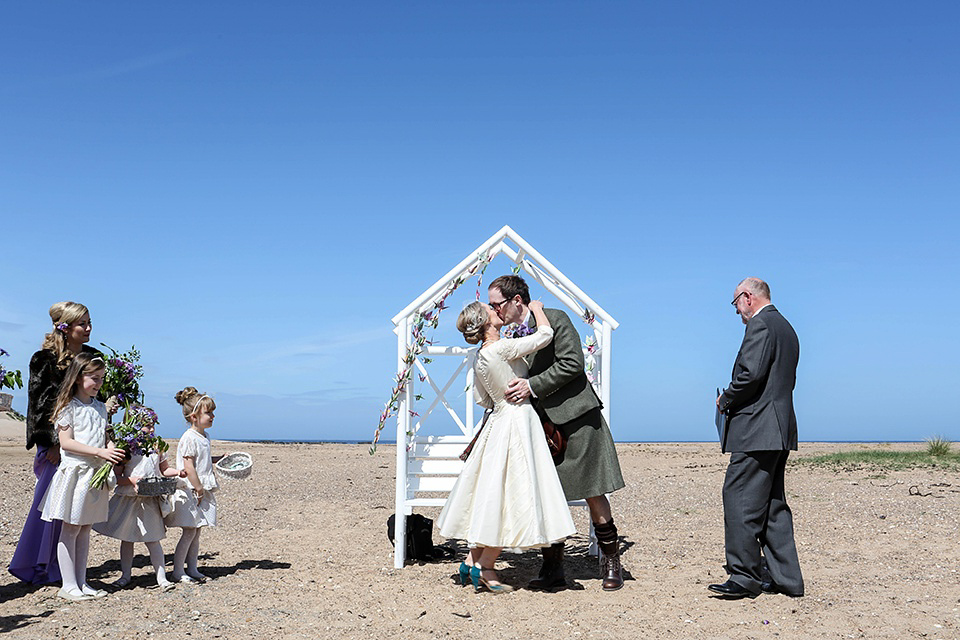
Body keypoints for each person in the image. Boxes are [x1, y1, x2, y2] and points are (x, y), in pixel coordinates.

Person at [488, 275, 626, 591]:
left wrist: (531, 385)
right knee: (547, 495)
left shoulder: (556, 319)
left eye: (498, 304)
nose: (495, 310)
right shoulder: (510, 335)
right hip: (543, 428)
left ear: (517, 301)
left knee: (594, 492)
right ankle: (553, 569)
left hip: (578, 419)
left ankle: (612, 564)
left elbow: (572, 363)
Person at [437, 300, 576, 593]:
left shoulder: (480, 356)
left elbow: (481, 399)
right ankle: (486, 568)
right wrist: (537, 309)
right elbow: (544, 337)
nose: (496, 311)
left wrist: (501, 394)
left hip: (498, 421)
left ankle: (471, 563)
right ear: (485, 322)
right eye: (490, 310)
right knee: (511, 494)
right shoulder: (500, 348)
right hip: (518, 421)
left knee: (493, 492)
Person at [709, 277, 804, 599]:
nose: (736, 311)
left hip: (757, 430)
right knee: (772, 504)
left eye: (735, 303)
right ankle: (786, 578)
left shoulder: (762, 325)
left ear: (747, 297)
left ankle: (744, 577)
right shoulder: (786, 327)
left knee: (739, 500)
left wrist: (726, 400)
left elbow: (749, 374)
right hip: (779, 429)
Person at [9, 301, 113, 585]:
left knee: (77, 511)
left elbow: (97, 397)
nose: (89, 328)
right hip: (59, 444)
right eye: (83, 324)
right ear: (65, 328)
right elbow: (39, 405)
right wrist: (53, 443)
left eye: (90, 322)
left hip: (88, 444)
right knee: (50, 507)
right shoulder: (43, 359)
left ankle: (68, 572)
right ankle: (39, 565)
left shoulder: (94, 356)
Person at [39, 352, 125, 600]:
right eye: (93, 378)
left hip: (95, 473)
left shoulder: (100, 408)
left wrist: (110, 449)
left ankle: (81, 581)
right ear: (78, 377)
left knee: (85, 528)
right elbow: (66, 443)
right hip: (76, 473)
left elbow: (103, 437)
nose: (98, 383)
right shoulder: (68, 407)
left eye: (101, 378)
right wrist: (99, 451)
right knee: (71, 528)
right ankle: (68, 585)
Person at [94, 422, 185, 591]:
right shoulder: (127, 447)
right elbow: (116, 477)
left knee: (153, 539)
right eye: (146, 426)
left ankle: (161, 577)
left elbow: (163, 470)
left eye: (152, 426)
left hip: (150, 498)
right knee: (127, 538)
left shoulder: (157, 445)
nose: (151, 429)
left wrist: (179, 472)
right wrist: (133, 481)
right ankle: (125, 575)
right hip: (129, 498)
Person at [164, 387, 219, 583]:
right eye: (208, 412)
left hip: (199, 489)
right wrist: (198, 488)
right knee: (189, 531)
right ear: (194, 416)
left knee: (196, 531)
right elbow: (189, 466)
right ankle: (178, 571)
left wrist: (218, 459)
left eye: (212, 412)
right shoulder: (189, 437)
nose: (212, 416)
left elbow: (201, 460)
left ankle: (192, 568)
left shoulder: (204, 436)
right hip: (190, 490)